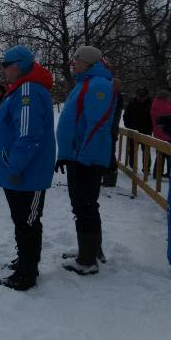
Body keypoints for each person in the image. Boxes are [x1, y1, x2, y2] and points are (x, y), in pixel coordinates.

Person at [0, 45, 55, 290]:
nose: (3, 71)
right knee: (21, 221)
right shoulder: (19, 90)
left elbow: (28, 135)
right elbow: (17, 127)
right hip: (19, 171)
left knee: (28, 222)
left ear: (15, 66)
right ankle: (24, 262)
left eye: (4, 66)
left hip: (27, 174)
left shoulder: (28, 90)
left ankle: (27, 274)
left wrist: (14, 168)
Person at [56, 45, 117, 276]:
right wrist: (66, 154)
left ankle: (87, 260)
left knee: (85, 206)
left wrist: (83, 159)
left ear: (88, 62)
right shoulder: (86, 83)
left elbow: (97, 127)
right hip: (77, 156)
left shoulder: (98, 85)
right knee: (84, 205)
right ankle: (90, 250)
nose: (73, 63)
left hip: (86, 159)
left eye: (76, 60)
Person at [122, 86, 153, 166]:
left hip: (146, 131)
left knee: (146, 151)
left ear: (146, 96)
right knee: (132, 150)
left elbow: (154, 118)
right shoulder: (132, 104)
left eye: (143, 96)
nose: (142, 98)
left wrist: (151, 128)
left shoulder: (151, 105)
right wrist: (128, 125)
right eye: (140, 96)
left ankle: (146, 168)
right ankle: (132, 166)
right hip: (134, 130)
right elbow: (126, 116)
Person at [150, 88, 171, 177]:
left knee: (159, 155)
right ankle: (170, 173)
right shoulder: (170, 108)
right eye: (170, 98)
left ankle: (156, 173)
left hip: (157, 133)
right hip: (168, 134)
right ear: (166, 98)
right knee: (169, 156)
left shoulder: (154, 106)